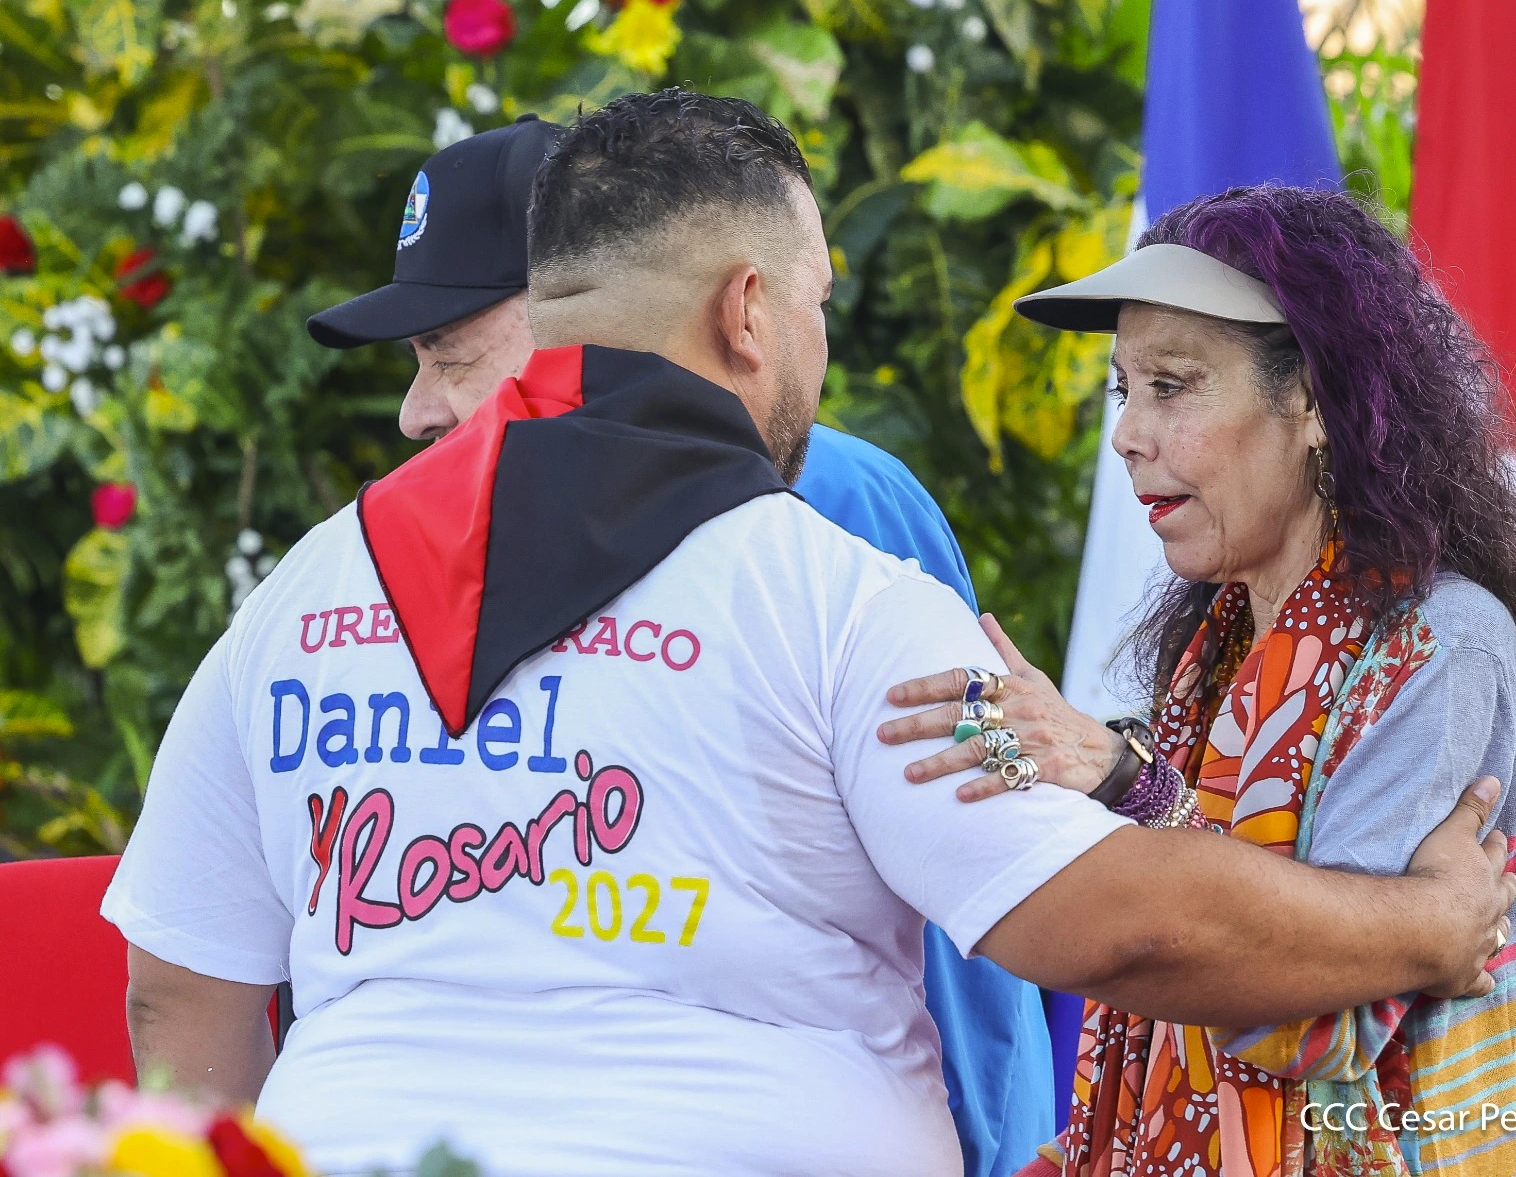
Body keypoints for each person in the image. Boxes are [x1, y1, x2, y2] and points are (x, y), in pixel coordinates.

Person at [106, 92, 1515, 1177]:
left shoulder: (297, 598)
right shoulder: (844, 595)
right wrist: (1428, 920)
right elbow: (1119, 926)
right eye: (819, 302)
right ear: (748, 311)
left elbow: (178, 994)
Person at [303, 113, 1056, 1177]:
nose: (415, 411)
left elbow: (964, 874)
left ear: (578, 301)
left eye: (449, 354)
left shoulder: (830, 496)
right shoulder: (403, 535)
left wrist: (985, 1149)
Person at [880, 186, 1516, 1177]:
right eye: (1125, 389)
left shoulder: (1438, 642)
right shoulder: (1222, 643)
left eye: (1172, 384)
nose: (1127, 433)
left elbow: (1314, 1016)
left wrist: (1128, 782)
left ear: (1315, 399)